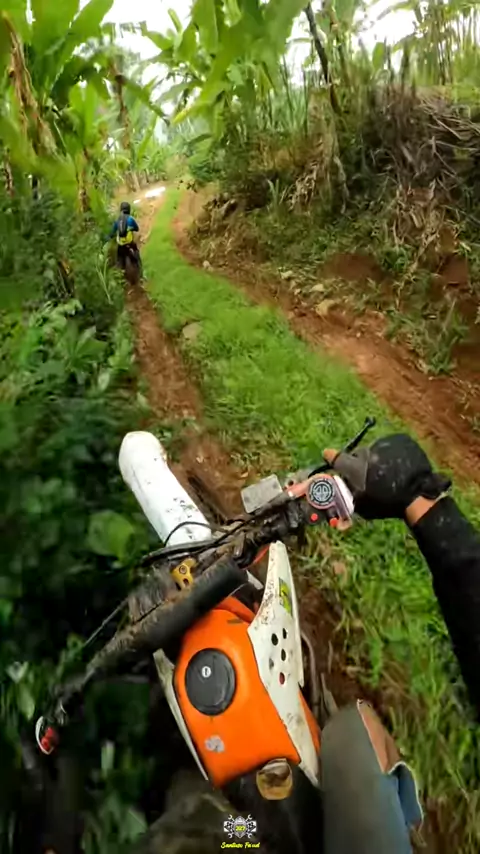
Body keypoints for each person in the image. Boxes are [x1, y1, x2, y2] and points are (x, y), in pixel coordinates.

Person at [110, 201, 141, 273]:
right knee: (136, 252)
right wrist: (132, 229)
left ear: (121, 210)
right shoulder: (131, 219)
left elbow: (112, 232)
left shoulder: (117, 220)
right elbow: (137, 228)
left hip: (120, 244)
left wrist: (110, 236)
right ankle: (140, 269)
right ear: (129, 209)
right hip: (130, 242)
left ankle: (119, 272)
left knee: (119, 258)